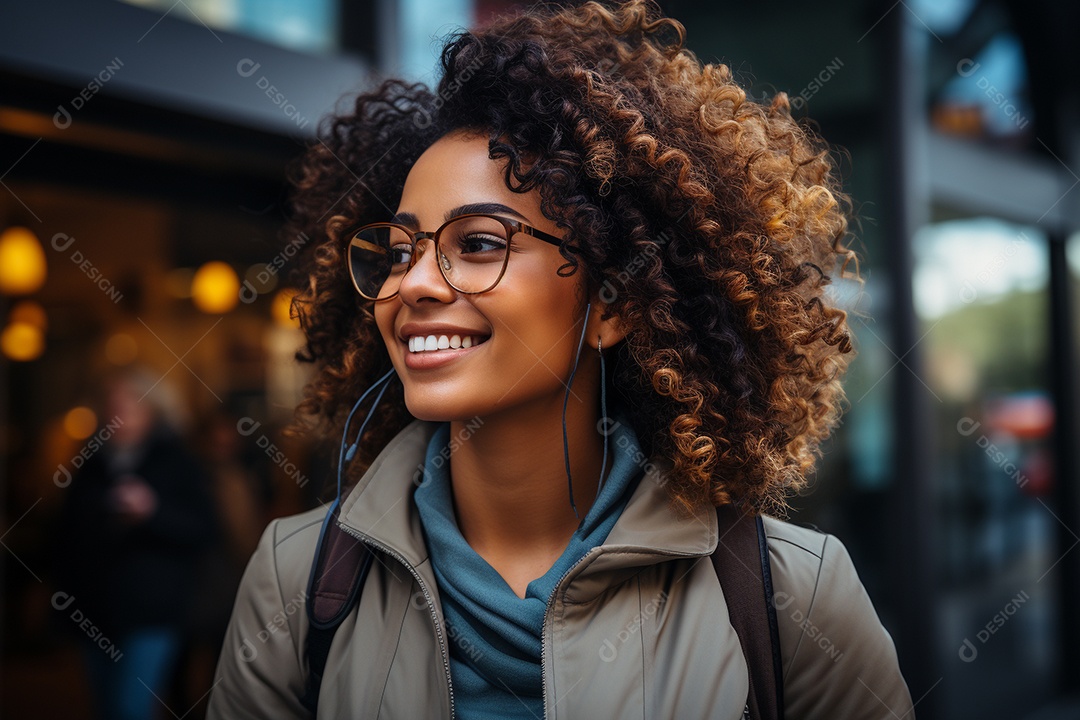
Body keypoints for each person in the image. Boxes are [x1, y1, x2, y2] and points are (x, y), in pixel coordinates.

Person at [207, 1, 914, 717]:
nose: (410, 284)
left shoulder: (787, 596)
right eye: (399, 250)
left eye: (479, 243)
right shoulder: (297, 581)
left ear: (612, 304)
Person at [56, 366, 216, 720]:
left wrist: (152, 512)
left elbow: (203, 530)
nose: (119, 413)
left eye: (130, 404)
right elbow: (64, 537)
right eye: (113, 404)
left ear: (152, 409)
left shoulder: (177, 461)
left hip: (153, 611)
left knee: (131, 708)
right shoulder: (88, 463)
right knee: (106, 706)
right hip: (93, 611)